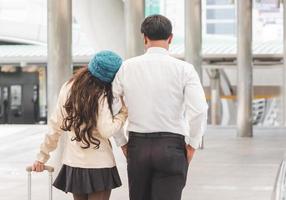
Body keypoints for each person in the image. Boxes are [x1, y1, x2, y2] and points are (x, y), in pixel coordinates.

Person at [112, 15, 208, 200]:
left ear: (144, 38)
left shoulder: (126, 67)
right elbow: (199, 110)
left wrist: (121, 141)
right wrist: (193, 145)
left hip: (137, 145)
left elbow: (111, 103)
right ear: (170, 38)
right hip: (171, 146)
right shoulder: (185, 69)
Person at [31, 51, 128, 200]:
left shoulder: (68, 88)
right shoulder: (102, 95)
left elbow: (55, 126)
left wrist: (41, 157)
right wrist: (122, 114)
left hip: (74, 164)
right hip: (99, 165)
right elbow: (107, 130)